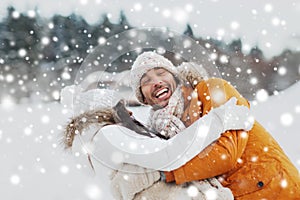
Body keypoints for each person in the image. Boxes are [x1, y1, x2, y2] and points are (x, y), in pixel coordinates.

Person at [126, 51, 300, 199]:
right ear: (143, 98)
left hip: (277, 190)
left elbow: (226, 154)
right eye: (146, 81)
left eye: (161, 73)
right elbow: (159, 155)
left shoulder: (212, 89)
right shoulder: (161, 129)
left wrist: (167, 174)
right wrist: (129, 127)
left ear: (175, 77)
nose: (156, 82)